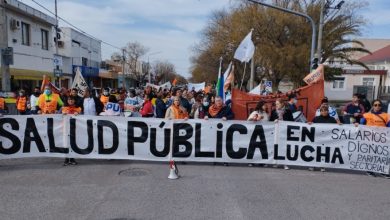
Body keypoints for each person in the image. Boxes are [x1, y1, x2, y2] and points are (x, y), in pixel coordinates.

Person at [358, 99, 390, 179]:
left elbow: (389, 126)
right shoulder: (366, 115)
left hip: (382, 139)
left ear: (381, 106)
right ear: (373, 106)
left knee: (382, 156)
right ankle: (370, 170)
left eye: (379, 105)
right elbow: (361, 125)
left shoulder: (387, 115)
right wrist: (356, 124)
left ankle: (383, 171)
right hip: (370, 139)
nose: (377, 106)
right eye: (375, 105)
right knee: (371, 155)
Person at [308, 104, 338, 172]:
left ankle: (322, 166)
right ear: (320, 112)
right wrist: (310, 123)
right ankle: (313, 165)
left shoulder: (332, 119)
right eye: (322, 111)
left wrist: (340, 124)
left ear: (328, 111)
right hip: (317, 138)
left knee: (324, 153)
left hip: (327, 139)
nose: (324, 112)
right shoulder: (316, 119)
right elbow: (311, 125)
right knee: (315, 151)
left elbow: (337, 128)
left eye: (326, 111)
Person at [269, 98, 293, 170]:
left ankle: (285, 163)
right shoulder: (273, 111)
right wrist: (274, 121)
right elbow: (270, 121)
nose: (276, 105)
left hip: (285, 131)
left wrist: (284, 122)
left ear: (282, 104)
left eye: (278, 104)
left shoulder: (288, 111)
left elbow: (292, 120)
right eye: (276, 104)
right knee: (276, 146)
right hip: (276, 132)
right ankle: (276, 162)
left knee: (284, 147)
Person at [62, 96, 81, 166]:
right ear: (67, 101)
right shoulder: (64, 108)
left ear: (74, 101)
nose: (70, 101)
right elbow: (59, 114)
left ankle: (72, 158)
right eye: (69, 99)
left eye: (72, 99)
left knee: (73, 143)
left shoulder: (78, 108)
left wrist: (78, 114)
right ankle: (66, 159)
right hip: (65, 129)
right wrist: (62, 114)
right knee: (66, 144)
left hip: (74, 129)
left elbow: (81, 115)